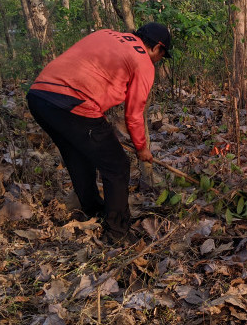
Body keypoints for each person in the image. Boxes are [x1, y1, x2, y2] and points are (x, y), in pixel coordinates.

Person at [26, 22, 172, 244]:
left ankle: (94, 211)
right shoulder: (143, 62)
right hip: (73, 102)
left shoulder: (107, 34)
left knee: (78, 154)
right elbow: (133, 115)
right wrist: (142, 148)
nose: (159, 60)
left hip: (39, 97)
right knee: (117, 165)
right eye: (162, 55)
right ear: (158, 47)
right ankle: (118, 232)